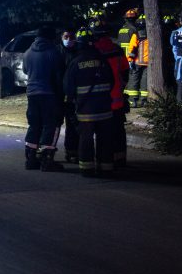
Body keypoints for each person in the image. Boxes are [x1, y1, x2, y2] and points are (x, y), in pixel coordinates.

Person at [64, 27, 115, 176]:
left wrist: (73, 102)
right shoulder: (102, 60)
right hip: (105, 109)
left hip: (86, 111)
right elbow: (111, 82)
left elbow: (68, 88)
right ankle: (106, 168)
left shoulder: (75, 63)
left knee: (85, 140)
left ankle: (87, 169)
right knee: (105, 140)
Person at [23, 22, 65, 171]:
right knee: (51, 125)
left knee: (35, 124)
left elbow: (26, 70)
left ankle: (31, 158)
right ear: (51, 38)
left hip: (32, 94)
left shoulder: (28, 52)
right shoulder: (53, 52)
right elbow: (58, 76)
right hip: (49, 94)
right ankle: (47, 159)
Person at [91, 18, 130, 168]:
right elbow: (125, 72)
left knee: (102, 133)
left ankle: (104, 160)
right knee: (119, 131)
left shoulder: (92, 52)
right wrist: (120, 88)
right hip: (117, 100)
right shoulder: (117, 49)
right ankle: (120, 159)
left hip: (99, 102)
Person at [60, 28, 80, 164]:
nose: (68, 40)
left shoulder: (78, 52)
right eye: (66, 37)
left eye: (71, 37)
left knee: (75, 125)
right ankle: (70, 151)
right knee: (70, 124)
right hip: (63, 94)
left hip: (76, 94)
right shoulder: (58, 52)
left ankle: (75, 151)